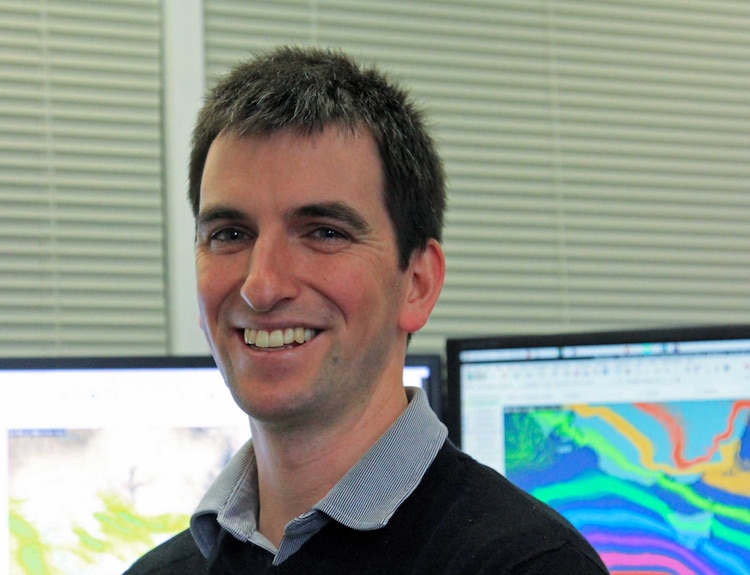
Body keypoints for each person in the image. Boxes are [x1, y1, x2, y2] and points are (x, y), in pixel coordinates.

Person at [124, 45, 608, 574]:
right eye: (230, 234)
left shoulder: (528, 566)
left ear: (417, 284)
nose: (261, 286)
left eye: (324, 233)